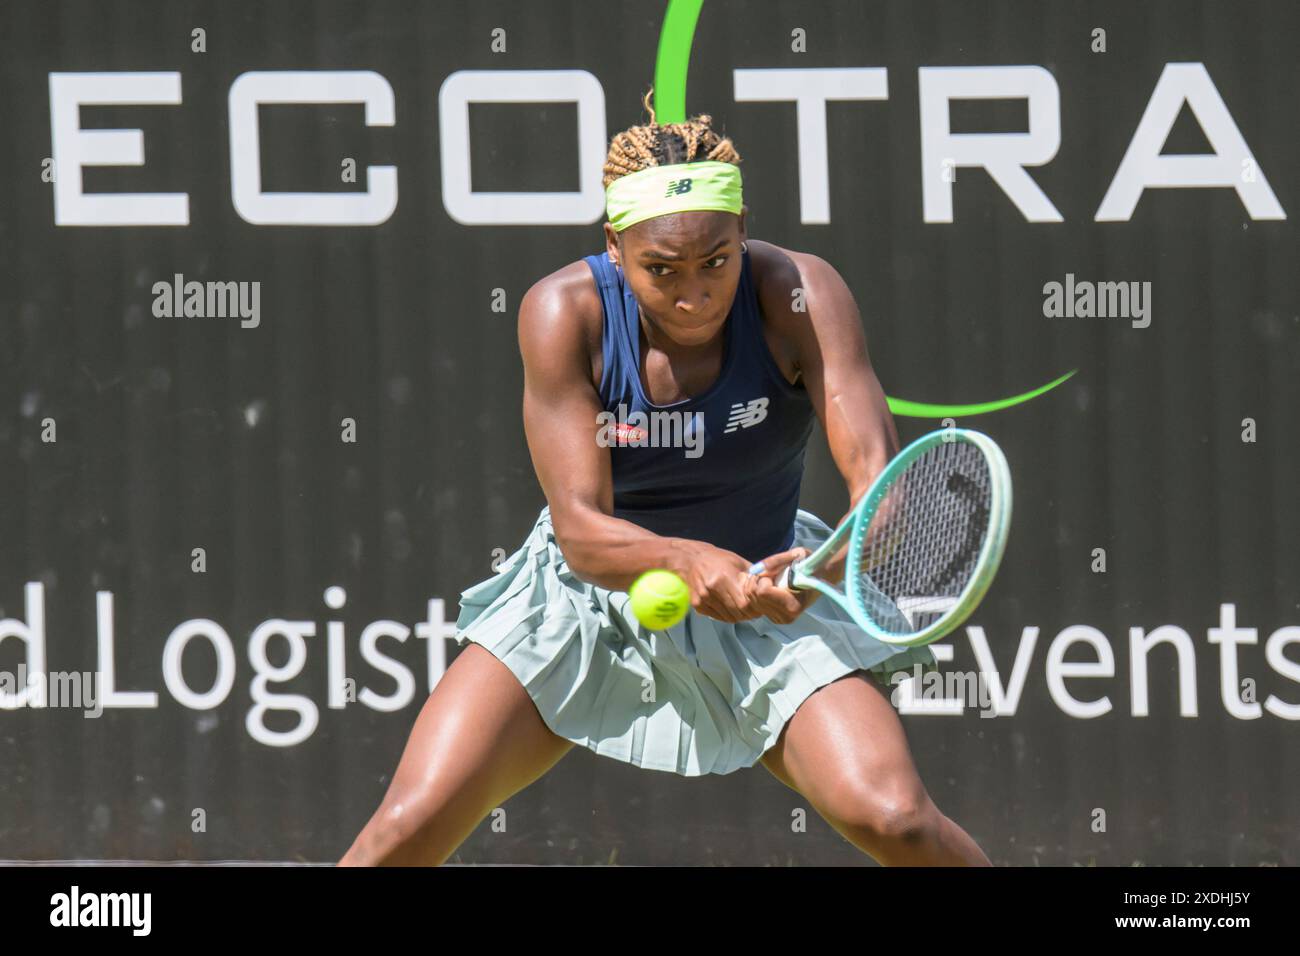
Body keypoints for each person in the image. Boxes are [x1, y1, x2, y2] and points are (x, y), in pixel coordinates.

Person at [340, 92, 991, 866]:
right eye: (661, 269)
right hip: (584, 599)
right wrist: (687, 561)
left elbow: (878, 483)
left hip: (768, 583)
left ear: (744, 230)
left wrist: (828, 567)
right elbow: (581, 530)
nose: (694, 293)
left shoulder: (800, 296)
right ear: (614, 246)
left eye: (716, 261)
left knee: (897, 819)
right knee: (407, 828)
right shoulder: (562, 313)